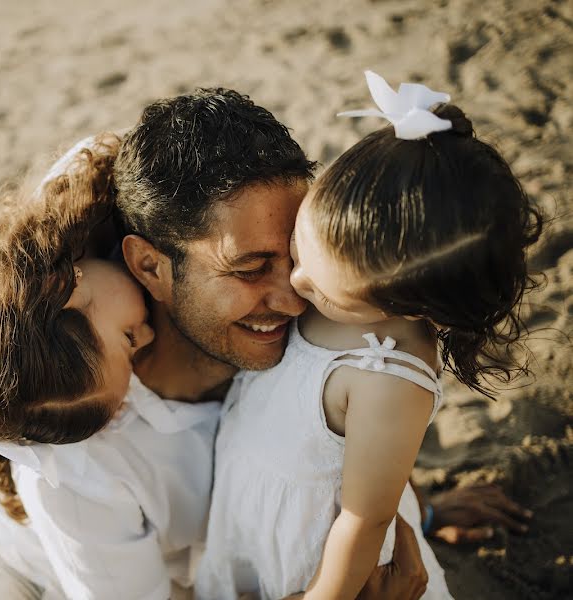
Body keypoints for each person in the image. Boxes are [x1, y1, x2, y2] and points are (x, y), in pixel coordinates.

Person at [195, 72, 543, 599]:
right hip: (250, 512)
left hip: (319, 559)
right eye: (298, 248)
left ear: (401, 308)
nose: (295, 284)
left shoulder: (388, 377)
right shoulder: (345, 273)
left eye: (326, 293)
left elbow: (365, 517)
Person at [0, 134, 220, 600]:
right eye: (131, 342)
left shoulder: (77, 205)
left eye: (125, 340)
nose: (148, 337)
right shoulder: (72, 476)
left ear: (71, 290)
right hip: (19, 576)